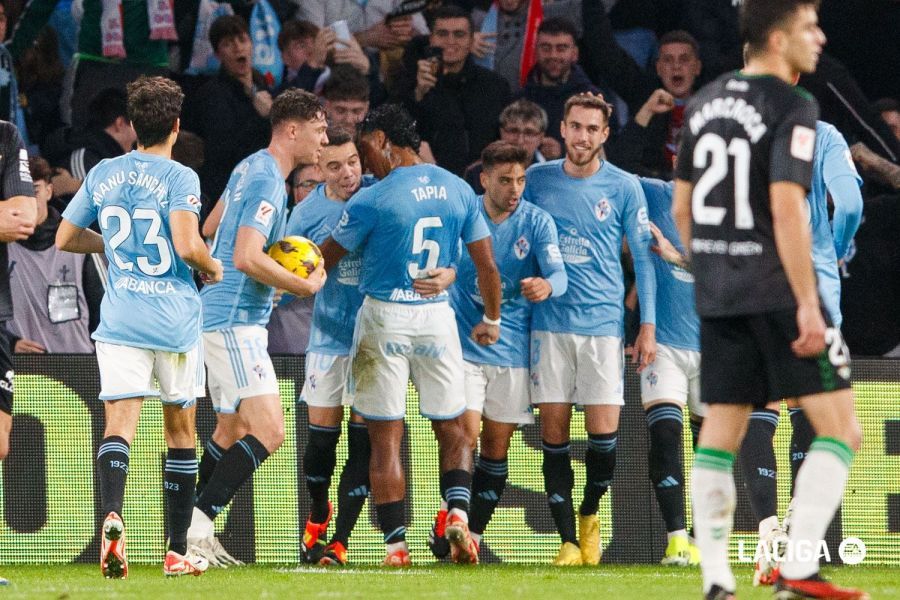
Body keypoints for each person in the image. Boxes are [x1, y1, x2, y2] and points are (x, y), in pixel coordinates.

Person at [672, 2, 866, 598]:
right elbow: (789, 207)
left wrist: (713, 274)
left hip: (721, 292)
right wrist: (807, 301)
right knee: (841, 428)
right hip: (779, 287)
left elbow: (682, 210)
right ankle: (800, 568)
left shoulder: (703, 104)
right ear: (779, 39)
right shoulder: (795, 106)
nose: (821, 37)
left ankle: (715, 580)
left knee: (721, 430)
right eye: (810, 27)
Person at [318, 104, 502, 566]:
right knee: (455, 427)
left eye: (366, 151)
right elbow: (486, 266)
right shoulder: (459, 188)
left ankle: (397, 548)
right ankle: (457, 513)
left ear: (381, 141)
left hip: (385, 316)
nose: (367, 165)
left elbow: (325, 259)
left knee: (386, 438)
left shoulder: (373, 199)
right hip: (436, 317)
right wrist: (492, 318)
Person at [55, 75, 224, 578]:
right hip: (173, 319)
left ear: (131, 125)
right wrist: (211, 266)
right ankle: (175, 551)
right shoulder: (180, 177)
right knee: (180, 431)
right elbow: (188, 244)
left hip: (122, 315)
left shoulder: (105, 171)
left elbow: (65, 235)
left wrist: (113, 244)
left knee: (119, 426)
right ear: (175, 125)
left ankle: (113, 516)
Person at [185, 88, 328, 566]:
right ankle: (197, 529)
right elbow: (247, 257)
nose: (323, 139)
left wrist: (269, 280)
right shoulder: (269, 178)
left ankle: (184, 534)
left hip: (220, 313)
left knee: (229, 429)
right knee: (270, 431)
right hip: (234, 322)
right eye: (319, 128)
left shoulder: (248, 166)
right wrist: (301, 285)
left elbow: (209, 228)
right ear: (293, 129)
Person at [523, 93, 657, 566]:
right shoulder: (536, 180)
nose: (582, 137)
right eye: (575, 127)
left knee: (604, 442)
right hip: (549, 327)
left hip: (602, 326)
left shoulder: (623, 187)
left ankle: (590, 513)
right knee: (554, 438)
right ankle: (566, 543)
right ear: (562, 128)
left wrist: (647, 325)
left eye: (591, 129)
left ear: (604, 134)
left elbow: (643, 258)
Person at [739, 118, 863, 587]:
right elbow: (849, 203)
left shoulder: (734, 132)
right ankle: (798, 530)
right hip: (814, 291)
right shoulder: (822, 134)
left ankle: (769, 528)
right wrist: (838, 246)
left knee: (759, 407)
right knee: (828, 419)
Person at [438, 140, 566, 559]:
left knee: (496, 448)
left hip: (513, 350)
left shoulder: (537, 222)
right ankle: (452, 515)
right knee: (465, 434)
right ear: (485, 179)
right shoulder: (463, 214)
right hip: (464, 346)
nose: (516, 188)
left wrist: (547, 285)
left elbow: (558, 275)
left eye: (522, 179)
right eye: (506, 180)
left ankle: (469, 537)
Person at [289, 127, 386, 566]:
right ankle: (318, 510)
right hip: (329, 337)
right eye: (334, 167)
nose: (347, 174)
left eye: (352, 163)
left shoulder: (380, 196)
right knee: (320, 446)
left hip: (375, 339)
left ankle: (341, 542)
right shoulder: (306, 215)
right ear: (317, 170)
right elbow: (290, 275)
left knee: (362, 444)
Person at [638, 176, 704, 568]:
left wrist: (674, 256)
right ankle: (676, 539)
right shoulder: (656, 192)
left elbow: (730, 271)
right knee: (665, 434)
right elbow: (604, 171)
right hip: (664, 342)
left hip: (716, 344)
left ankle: (701, 538)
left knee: (711, 451)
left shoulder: (734, 210)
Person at [401, 5, 511, 176]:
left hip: (482, 185)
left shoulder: (495, 86)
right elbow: (400, 137)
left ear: (471, 41)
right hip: (428, 182)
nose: (450, 41)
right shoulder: (410, 83)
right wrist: (418, 95)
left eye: (459, 34)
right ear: (431, 39)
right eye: (442, 34)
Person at [7, 156, 97, 354]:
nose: (28, 201)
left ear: (49, 191)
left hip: (79, 368)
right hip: (25, 371)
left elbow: (103, 311)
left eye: (34, 190)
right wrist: (9, 342)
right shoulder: (4, 248)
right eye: (19, 193)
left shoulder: (78, 242)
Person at [192, 14, 273, 206]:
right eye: (228, 43)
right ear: (218, 54)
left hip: (264, 184)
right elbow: (224, 149)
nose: (238, 47)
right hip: (228, 192)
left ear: (251, 44)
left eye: (242, 40)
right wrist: (262, 118)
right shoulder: (212, 94)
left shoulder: (264, 86)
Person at [616, 31, 703, 180]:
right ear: (658, 68)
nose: (676, 66)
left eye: (684, 59)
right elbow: (621, 162)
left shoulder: (713, 108)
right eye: (668, 60)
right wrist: (647, 110)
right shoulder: (646, 103)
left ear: (697, 67)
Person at [516, 17, 599, 149]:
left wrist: (563, 153)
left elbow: (608, 152)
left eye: (561, 48)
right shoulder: (519, 99)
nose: (553, 55)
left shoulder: (593, 100)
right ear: (535, 51)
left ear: (575, 53)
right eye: (546, 48)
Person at [463, 99, 550, 195]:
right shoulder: (476, 173)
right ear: (502, 132)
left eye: (529, 133)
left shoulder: (552, 174)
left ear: (541, 137)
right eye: (513, 131)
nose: (520, 140)